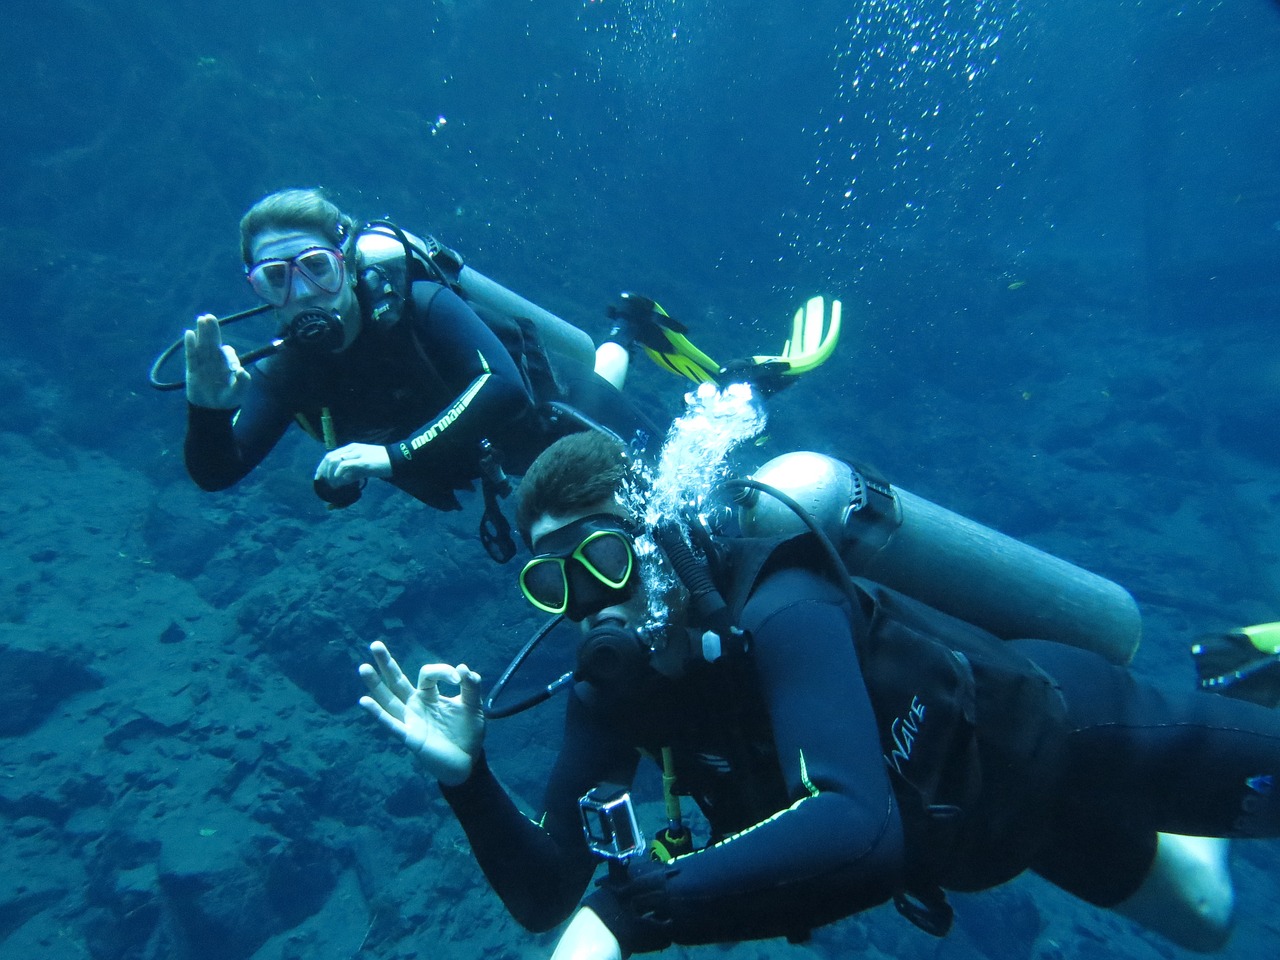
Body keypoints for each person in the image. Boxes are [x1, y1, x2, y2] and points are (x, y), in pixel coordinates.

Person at [358, 429, 1280, 958]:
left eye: (601, 558)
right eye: (554, 584)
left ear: (658, 533)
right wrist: (467, 779)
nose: (592, 604)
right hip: (983, 832)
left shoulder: (780, 594)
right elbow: (544, 893)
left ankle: (1219, 693)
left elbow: (859, 827)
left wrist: (625, 915)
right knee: (1208, 920)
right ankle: (1224, 673)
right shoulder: (615, 691)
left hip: (1065, 730)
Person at [182, 188, 652, 549]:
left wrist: (394, 456)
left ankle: (628, 330)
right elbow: (217, 472)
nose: (302, 293)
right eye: (276, 278)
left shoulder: (415, 303)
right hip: (502, 459)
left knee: (672, 469)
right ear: (256, 290)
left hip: (559, 408)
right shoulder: (287, 371)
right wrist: (207, 411)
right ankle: (625, 329)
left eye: (315, 267)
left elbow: (505, 388)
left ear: (345, 264)